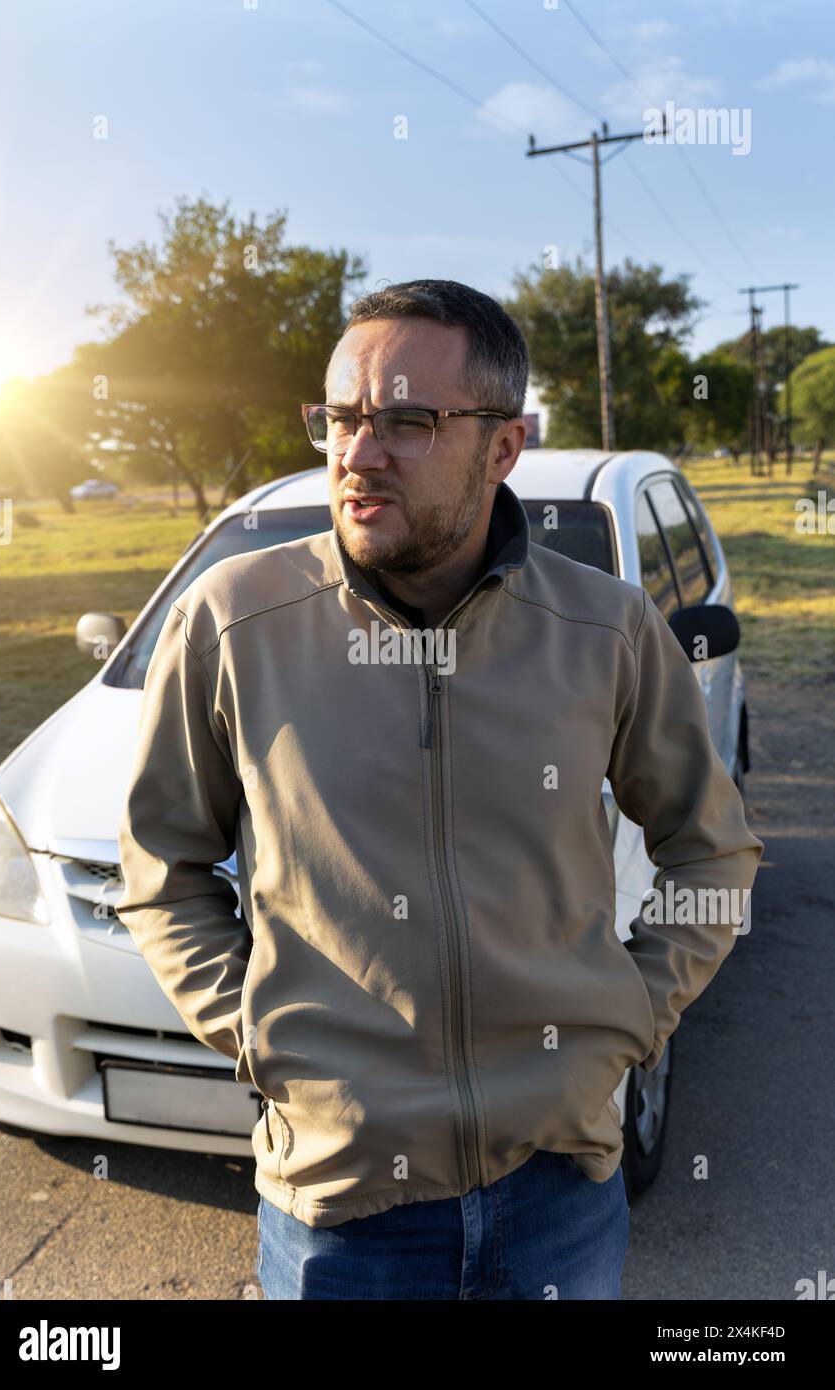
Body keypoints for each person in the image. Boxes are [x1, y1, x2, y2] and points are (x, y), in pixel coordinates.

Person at [116, 279, 763, 1300]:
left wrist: (629, 1015)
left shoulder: (605, 630)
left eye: (406, 420)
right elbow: (164, 870)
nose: (356, 454)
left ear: (502, 446)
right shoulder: (231, 622)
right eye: (339, 418)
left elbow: (710, 845)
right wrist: (260, 1032)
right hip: (338, 1214)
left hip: (557, 1197)